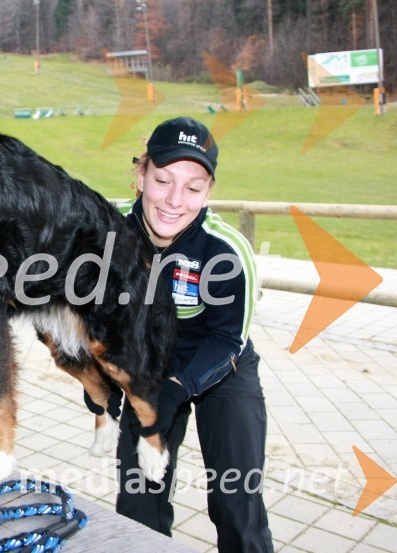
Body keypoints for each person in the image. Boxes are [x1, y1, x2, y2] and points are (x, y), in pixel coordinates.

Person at [114, 117, 274, 552]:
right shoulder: (110, 237)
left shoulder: (224, 250)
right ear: (141, 175)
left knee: (235, 501)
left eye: (193, 187)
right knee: (138, 503)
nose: (174, 200)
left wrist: (178, 388)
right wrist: (100, 378)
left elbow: (228, 340)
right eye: (163, 180)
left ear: (209, 191)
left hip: (221, 368)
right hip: (150, 370)